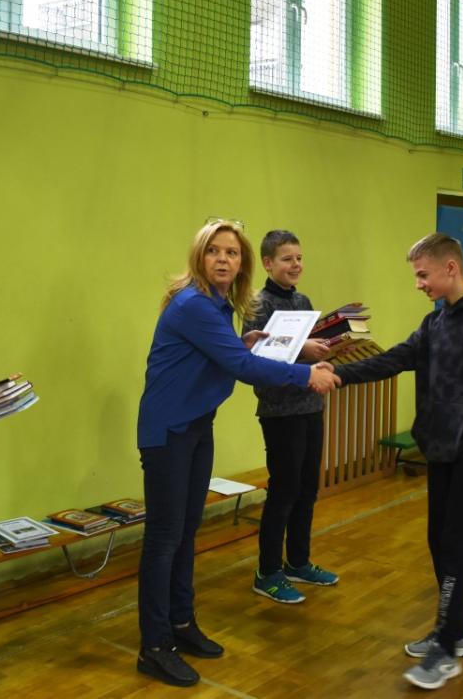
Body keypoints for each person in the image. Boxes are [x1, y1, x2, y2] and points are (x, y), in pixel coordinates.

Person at [135, 219, 339, 688]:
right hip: (168, 432)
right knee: (165, 538)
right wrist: (306, 375)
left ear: (242, 261)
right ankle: (155, 646)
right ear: (199, 257)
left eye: (231, 252)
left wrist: (239, 344)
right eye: (214, 251)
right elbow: (243, 368)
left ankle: (181, 623)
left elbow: (225, 356)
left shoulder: (216, 304)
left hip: (195, 426)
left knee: (185, 532)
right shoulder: (193, 304)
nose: (223, 259)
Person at [333, 233, 463, 691]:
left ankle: (445, 648)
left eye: (423, 275)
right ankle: (457, 630)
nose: (418, 284)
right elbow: (395, 359)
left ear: (450, 268)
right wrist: (337, 374)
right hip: (441, 446)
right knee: (439, 541)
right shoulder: (435, 322)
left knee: (459, 545)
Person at [242, 229, 338, 604]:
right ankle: (267, 571)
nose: (296, 265)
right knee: (283, 491)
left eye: (299, 258)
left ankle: (298, 561)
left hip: (311, 405)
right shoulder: (257, 304)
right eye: (287, 259)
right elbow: (256, 360)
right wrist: (304, 351)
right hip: (279, 411)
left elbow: (305, 352)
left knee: (308, 489)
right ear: (268, 263)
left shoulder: (302, 300)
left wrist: (325, 351)